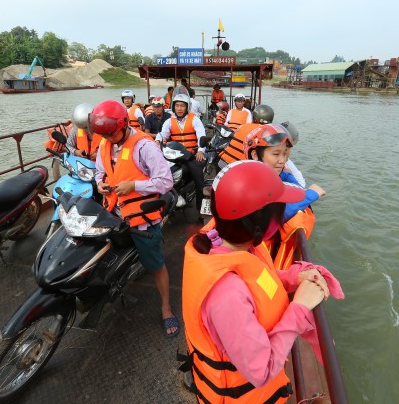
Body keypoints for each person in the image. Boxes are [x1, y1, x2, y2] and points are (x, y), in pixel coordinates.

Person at [181, 161, 343, 403]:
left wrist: (292, 278)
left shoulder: (225, 245)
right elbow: (262, 370)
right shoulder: (226, 293)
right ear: (259, 226)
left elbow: (257, 280)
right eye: (279, 214)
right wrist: (299, 308)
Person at [90, 100, 179, 337]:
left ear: (123, 124)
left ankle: (166, 307)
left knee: (156, 265)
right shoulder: (104, 144)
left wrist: (134, 185)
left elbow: (165, 182)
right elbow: (100, 171)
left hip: (141, 216)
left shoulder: (144, 146)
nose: (107, 138)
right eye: (103, 134)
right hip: (113, 211)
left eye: (110, 133)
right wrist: (100, 184)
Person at [245, 124, 326, 269]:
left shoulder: (267, 174)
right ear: (255, 155)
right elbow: (275, 216)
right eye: (276, 154)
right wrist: (312, 194)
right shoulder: (253, 183)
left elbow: (298, 190)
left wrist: (284, 173)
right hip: (251, 255)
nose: (282, 160)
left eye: (285, 155)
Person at [218, 104, 306, 187]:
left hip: (223, 164)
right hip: (240, 173)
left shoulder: (244, 126)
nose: (282, 159)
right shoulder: (266, 135)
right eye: (276, 154)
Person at [155, 94, 207, 222]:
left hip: (191, 155)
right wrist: (157, 141)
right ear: (173, 107)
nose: (179, 108)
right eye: (177, 105)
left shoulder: (195, 119)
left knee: (199, 182)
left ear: (187, 107)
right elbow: (162, 134)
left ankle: (201, 211)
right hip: (174, 156)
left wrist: (200, 150)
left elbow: (201, 134)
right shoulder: (169, 121)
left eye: (182, 106)